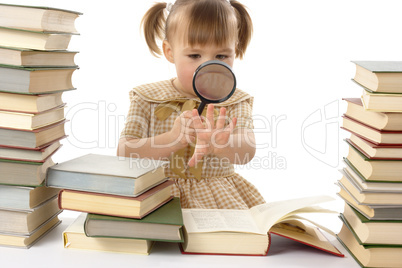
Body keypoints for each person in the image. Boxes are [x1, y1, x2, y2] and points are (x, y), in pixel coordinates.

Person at [117, 0, 265, 209]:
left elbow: (248, 150)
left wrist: (221, 145)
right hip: (158, 195)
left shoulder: (235, 101)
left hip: (216, 200)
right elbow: (124, 152)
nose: (208, 66)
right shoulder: (146, 97)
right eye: (195, 55)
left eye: (221, 56)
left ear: (235, 51)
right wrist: (170, 140)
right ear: (169, 52)